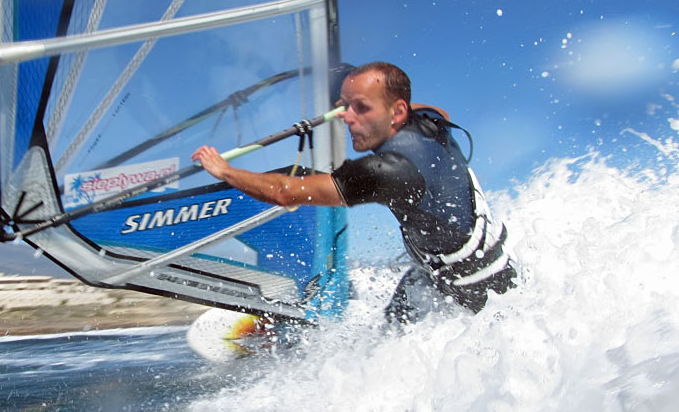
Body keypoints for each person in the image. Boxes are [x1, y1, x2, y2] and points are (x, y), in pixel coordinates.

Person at [191, 61, 516, 323]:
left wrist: (225, 170)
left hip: (472, 297)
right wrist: (368, 101)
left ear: (398, 112)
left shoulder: (389, 170)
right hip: (483, 269)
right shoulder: (431, 120)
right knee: (394, 317)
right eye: (344, 108)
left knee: (396, 344)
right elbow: (435, 109)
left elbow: (284, 193)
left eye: (360, 109)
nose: (347, 119)